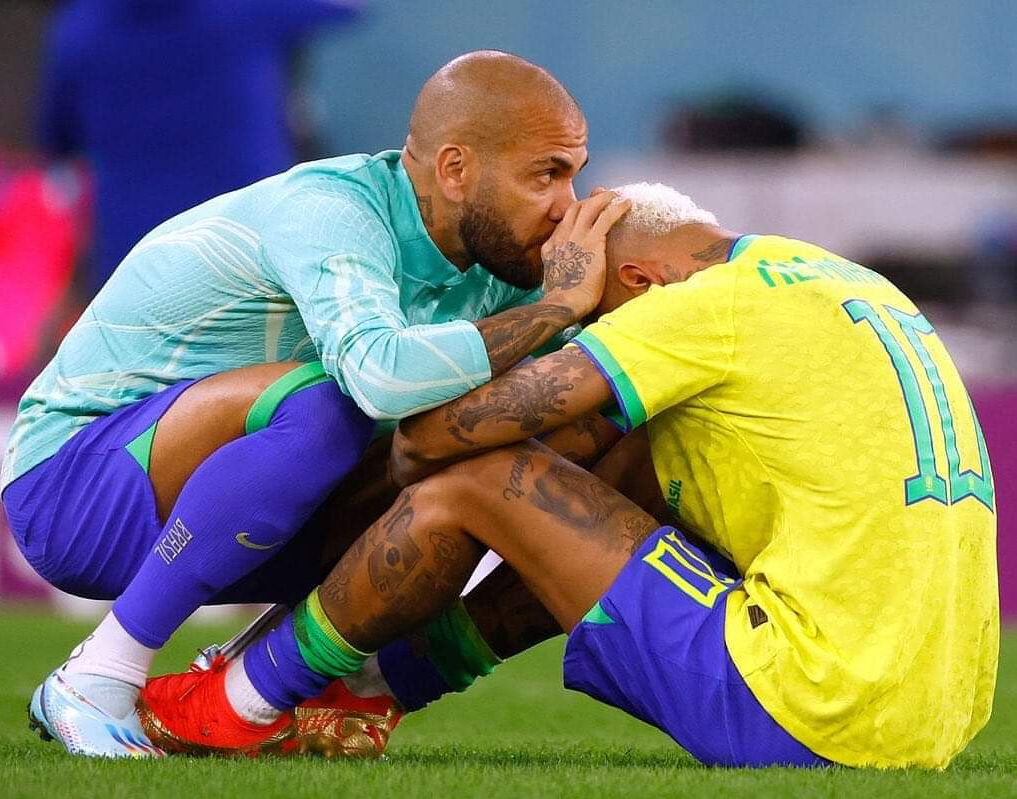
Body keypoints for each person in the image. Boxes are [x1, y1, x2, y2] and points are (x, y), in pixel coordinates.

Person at [138, 183, 998, 769]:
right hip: (936, 720)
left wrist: (556, 305)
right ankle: (373, 689)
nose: (584, 335)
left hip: (810, 706)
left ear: (637, 281)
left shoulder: (697, 306)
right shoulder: (836, 278)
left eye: (596, 316)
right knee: (616, 465)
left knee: (485, 476)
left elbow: (429, 443)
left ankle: (239, 698)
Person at [7, 50, 624, 759]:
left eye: (574, 173)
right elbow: (378, 377)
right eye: (546, 174)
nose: (566, 203)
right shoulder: (331, 209)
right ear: (455, 170)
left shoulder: (499, 259)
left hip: (215, 501)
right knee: (330, 402)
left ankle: (236, 685)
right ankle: (96, 678)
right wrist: (555, 309)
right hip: (73, 486)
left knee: (486, 461)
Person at [36, 0, 364, 299]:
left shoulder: (80, 29)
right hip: (252, 255)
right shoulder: (248, 7)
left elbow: (57, 141)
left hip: (136, 268)